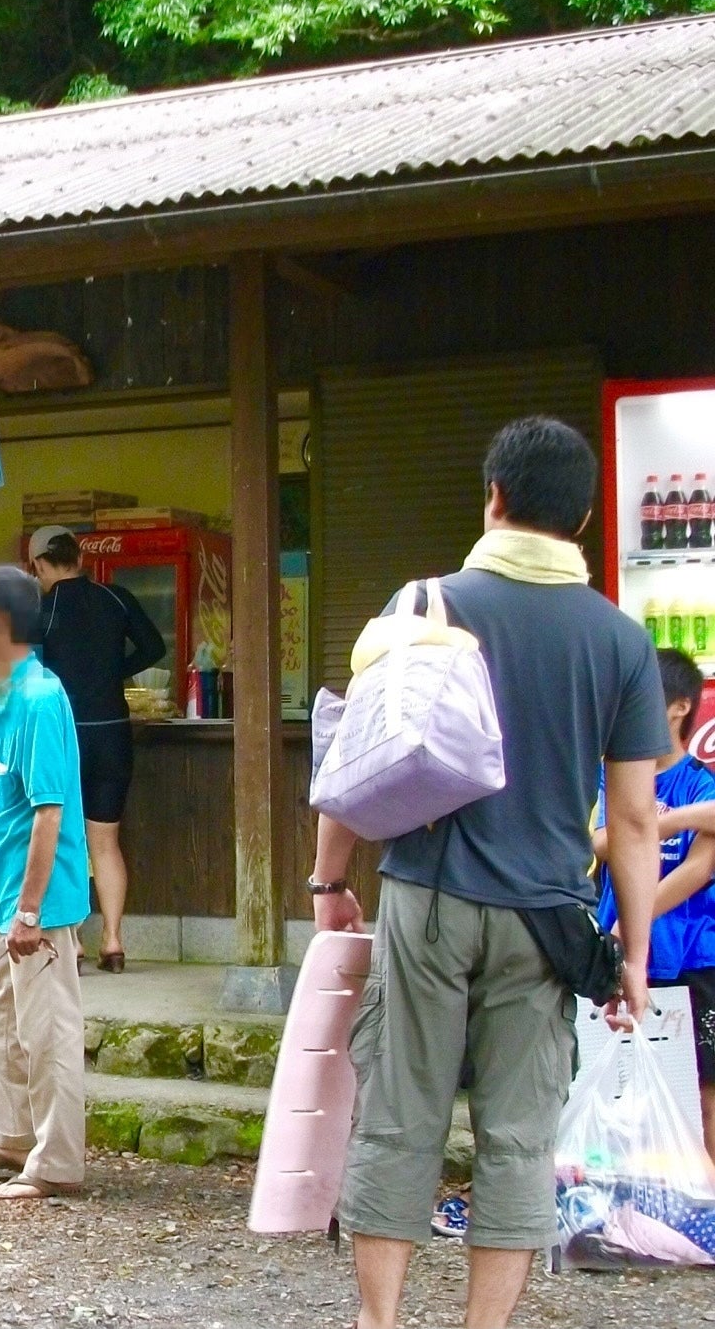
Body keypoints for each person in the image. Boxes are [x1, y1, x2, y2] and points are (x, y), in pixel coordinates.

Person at [312, 416, 667, 1329]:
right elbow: (634, 819)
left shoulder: (424, 602)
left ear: (493, 497)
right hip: (545, 919)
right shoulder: (620, 641)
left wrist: (329, 882)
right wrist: (633, 955)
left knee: (400, 1115)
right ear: (582, 519)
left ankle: (379, 1321)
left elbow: (359, 757)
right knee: (518, 1136)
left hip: (428, 895)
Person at [0, 565, 91, 1202]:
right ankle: (10, 1135)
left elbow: (49, 811)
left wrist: (31, 912)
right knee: (0, 1019)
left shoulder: (38, 698)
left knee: (47, 1029)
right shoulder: (6, 696)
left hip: (39, 902)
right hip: (7, 893)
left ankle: (56, 1161)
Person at [26, 526, 166, 973]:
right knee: (105, 841)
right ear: (80, 558)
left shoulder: (42, 610)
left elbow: (27, 672)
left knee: (63, 839)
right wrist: (113, 671)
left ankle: (75, 942)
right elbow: (155, 646)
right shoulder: (115, 598)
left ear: (39, 565)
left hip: (64, 736)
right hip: (112, 734)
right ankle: (114, 941)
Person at [594, 644, 715, 1153]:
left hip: (691, 958)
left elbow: (698, 869)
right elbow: (594, 841)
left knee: (703, 1090)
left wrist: (655, 824)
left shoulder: (697, 782)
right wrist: (638, 825)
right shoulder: (611, 775)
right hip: (614, 948)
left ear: (680, 706)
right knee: (614, 1086)